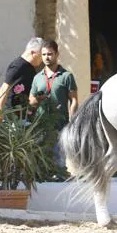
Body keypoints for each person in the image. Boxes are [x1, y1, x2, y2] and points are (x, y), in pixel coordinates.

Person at [30, 39, 78, 169]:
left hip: (60, 125)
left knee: (59, 164)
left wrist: (71, 121)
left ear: (57, 54)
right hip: (41, 126)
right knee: (41, 164)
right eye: (44, 54)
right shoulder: (37, 77)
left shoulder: (67, 76)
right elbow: (31, 101)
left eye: (50, 54)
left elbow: (74, 100)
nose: (46, 57)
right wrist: (38, 99)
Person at [0, 37, 44, 112]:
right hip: (11, 117)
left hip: (23, 116)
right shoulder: (18, 66)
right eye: (41, 55)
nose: (43, 59)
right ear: (33, 53)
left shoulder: (31, 68)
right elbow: (4, 89)